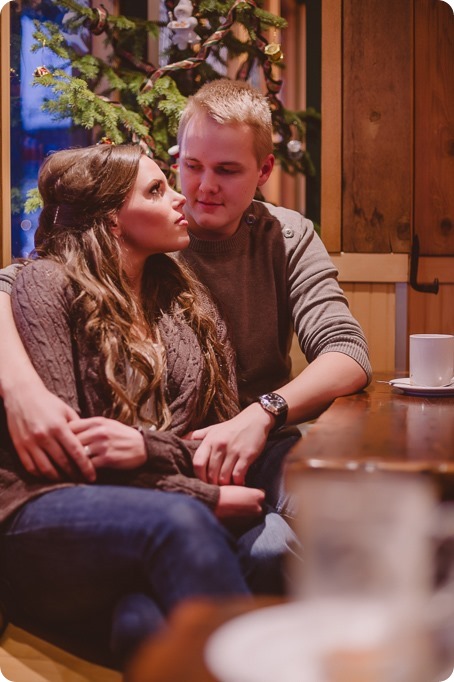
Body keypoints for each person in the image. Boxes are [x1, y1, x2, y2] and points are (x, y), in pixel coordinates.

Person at [0, 143, 296, 666]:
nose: (181, 198)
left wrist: (145, 450)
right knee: (178, 526)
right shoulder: (48, 285)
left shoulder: (186, 300)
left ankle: (137, 627)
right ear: (113, 219)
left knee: (161, 613)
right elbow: (74, 455)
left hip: (147, 506)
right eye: (157, 190)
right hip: (44, 505)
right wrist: (196, 496)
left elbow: (214, 436)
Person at [0, 78, 371, 484]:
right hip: (168, 451)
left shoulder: (286, 237)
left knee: (332, 499)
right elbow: (19, 284)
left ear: (264, 170)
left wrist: (261, 414)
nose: (204, 187)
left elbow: (346, 352)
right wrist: (21, 391)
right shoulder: (149, 231)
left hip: (260, 437)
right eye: (192, 166)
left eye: (227, 170)